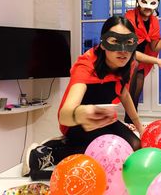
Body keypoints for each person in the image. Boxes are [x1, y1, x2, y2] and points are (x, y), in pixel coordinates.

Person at [22, 16, 144, 180]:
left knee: (135, 146)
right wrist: (81, 113)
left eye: (128, 43)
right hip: (77, 123)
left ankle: (72, 145)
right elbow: (65, 115)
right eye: (115, 41)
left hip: (103, 117)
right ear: (103, 43)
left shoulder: (127, 64)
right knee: (100, 158)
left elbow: (123, 93)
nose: (123, 50)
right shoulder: (86, 65)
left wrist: (139, 126)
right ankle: (51, 150)